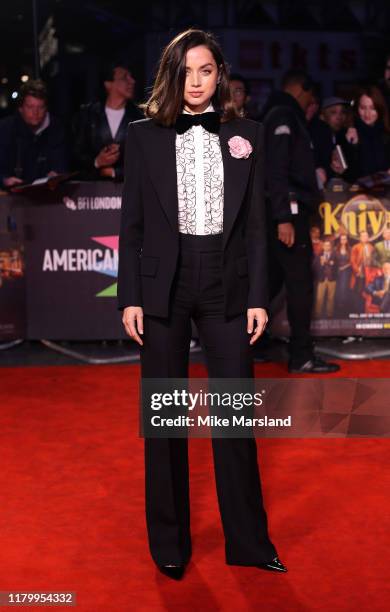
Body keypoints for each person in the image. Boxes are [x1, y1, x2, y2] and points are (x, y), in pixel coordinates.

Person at [117, 28, 286, 580]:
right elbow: (133, 224)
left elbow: (259, 229)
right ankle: (169, 543)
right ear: (172, 74)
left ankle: (249, 541)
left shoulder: (249, 135)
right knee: (164, 418)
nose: (195, 82)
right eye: (186, 71)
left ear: (221, 75)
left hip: (227, 284)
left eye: (206, 70)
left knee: (235, 417)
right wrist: (131, 296)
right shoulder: (142, 137)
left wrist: (259, 296)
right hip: (163, 281)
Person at [262, 69, 340, 373]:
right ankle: (301, 356)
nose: (312, 103)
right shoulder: (283, 116)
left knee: (269, 282)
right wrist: (284, 217)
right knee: (299, 284)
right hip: (288, 214)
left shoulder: (278, 114)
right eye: (311, 96)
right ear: (301, 89)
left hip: (282, 212)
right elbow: (277, 171)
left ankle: (241, 344)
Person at [72, 61, 143, 181]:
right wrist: (97, 162)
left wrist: (116, 172)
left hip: (127, 192)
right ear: (108, 84)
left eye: (131, 77)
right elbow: (76, 156)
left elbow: (145, 160)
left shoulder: (139, 117)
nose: (132, 81)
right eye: (125, 77)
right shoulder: (88, 115)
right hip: (92, 192)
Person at [0, 79, 67, 188]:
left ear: (46, 108)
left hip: (47, 195)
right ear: (21, 108)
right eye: (30, 107)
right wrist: (4, 180)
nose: (35, 112)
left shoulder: (56, 129)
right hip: (11, 197)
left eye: (41, 107)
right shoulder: (5, 129)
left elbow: (61, 165)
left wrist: (57, 174)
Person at [345, 85, 390, 181]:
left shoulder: (386, 133)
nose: (367, 114)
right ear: (356, 108)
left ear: (379, 109)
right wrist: (353, 146)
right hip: (358, 192)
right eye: (363, 108)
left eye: (372, 108)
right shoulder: (349, 132)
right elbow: (348, 174)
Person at [350, 230, 375, 311]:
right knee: (358, 291)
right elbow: (352, 261)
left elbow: (373, 260)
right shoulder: (355, 247)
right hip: (359, 274)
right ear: (360, 238)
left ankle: (366, 310)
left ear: (368, 237)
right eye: (363, 236)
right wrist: (357, 271)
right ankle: (358, 310)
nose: (365, 237)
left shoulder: (371, 247)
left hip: (369, 274)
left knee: (367, 291)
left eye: (366, 236)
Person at [313, 240, 337, 318]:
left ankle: (329, 314)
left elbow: (337, 267)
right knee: (319, 298)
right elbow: (315, 268)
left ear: (330, 247)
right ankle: (317, 314)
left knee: (331, 298)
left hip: (332, 279)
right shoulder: (318, 255)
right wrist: (321, 264)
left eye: (328, 245)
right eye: (325, 245)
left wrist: (332, 265)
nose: (327, 247)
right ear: (323, 247)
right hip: (322, 279)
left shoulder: (335, 255)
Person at [334, 233, 352, 318]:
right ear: (340, 240)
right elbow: (333, 260)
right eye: (342, 239)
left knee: (344, 288)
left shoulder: (350, 249)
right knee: (338, 288)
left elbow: (351, 262)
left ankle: (343, 307)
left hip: (346, 271)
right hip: (337, 271)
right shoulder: (336, 249)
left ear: (347, 240)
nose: (343, 241)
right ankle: (338, 307)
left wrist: (344, 267)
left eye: (345, 239)